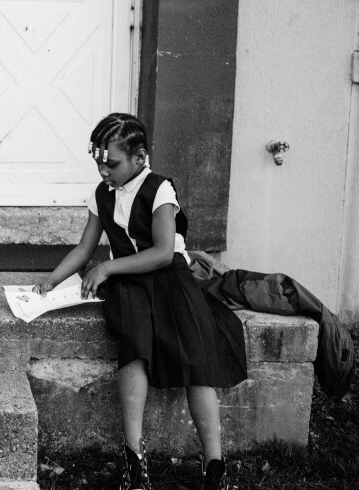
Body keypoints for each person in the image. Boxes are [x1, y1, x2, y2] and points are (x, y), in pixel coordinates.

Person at [34, 113, 247, 490]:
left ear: (140, 157)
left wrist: (109, 269)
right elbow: (85, 248)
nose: (103, 171)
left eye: (111, 163)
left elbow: (164, 253)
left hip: (170, 281)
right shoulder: (102, 194)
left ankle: (215, 465)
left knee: (196, 362)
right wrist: (52, 280)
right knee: (133, 350)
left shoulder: (158, 189)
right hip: (131, 285)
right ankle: (133, 460)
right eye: (98, 162)